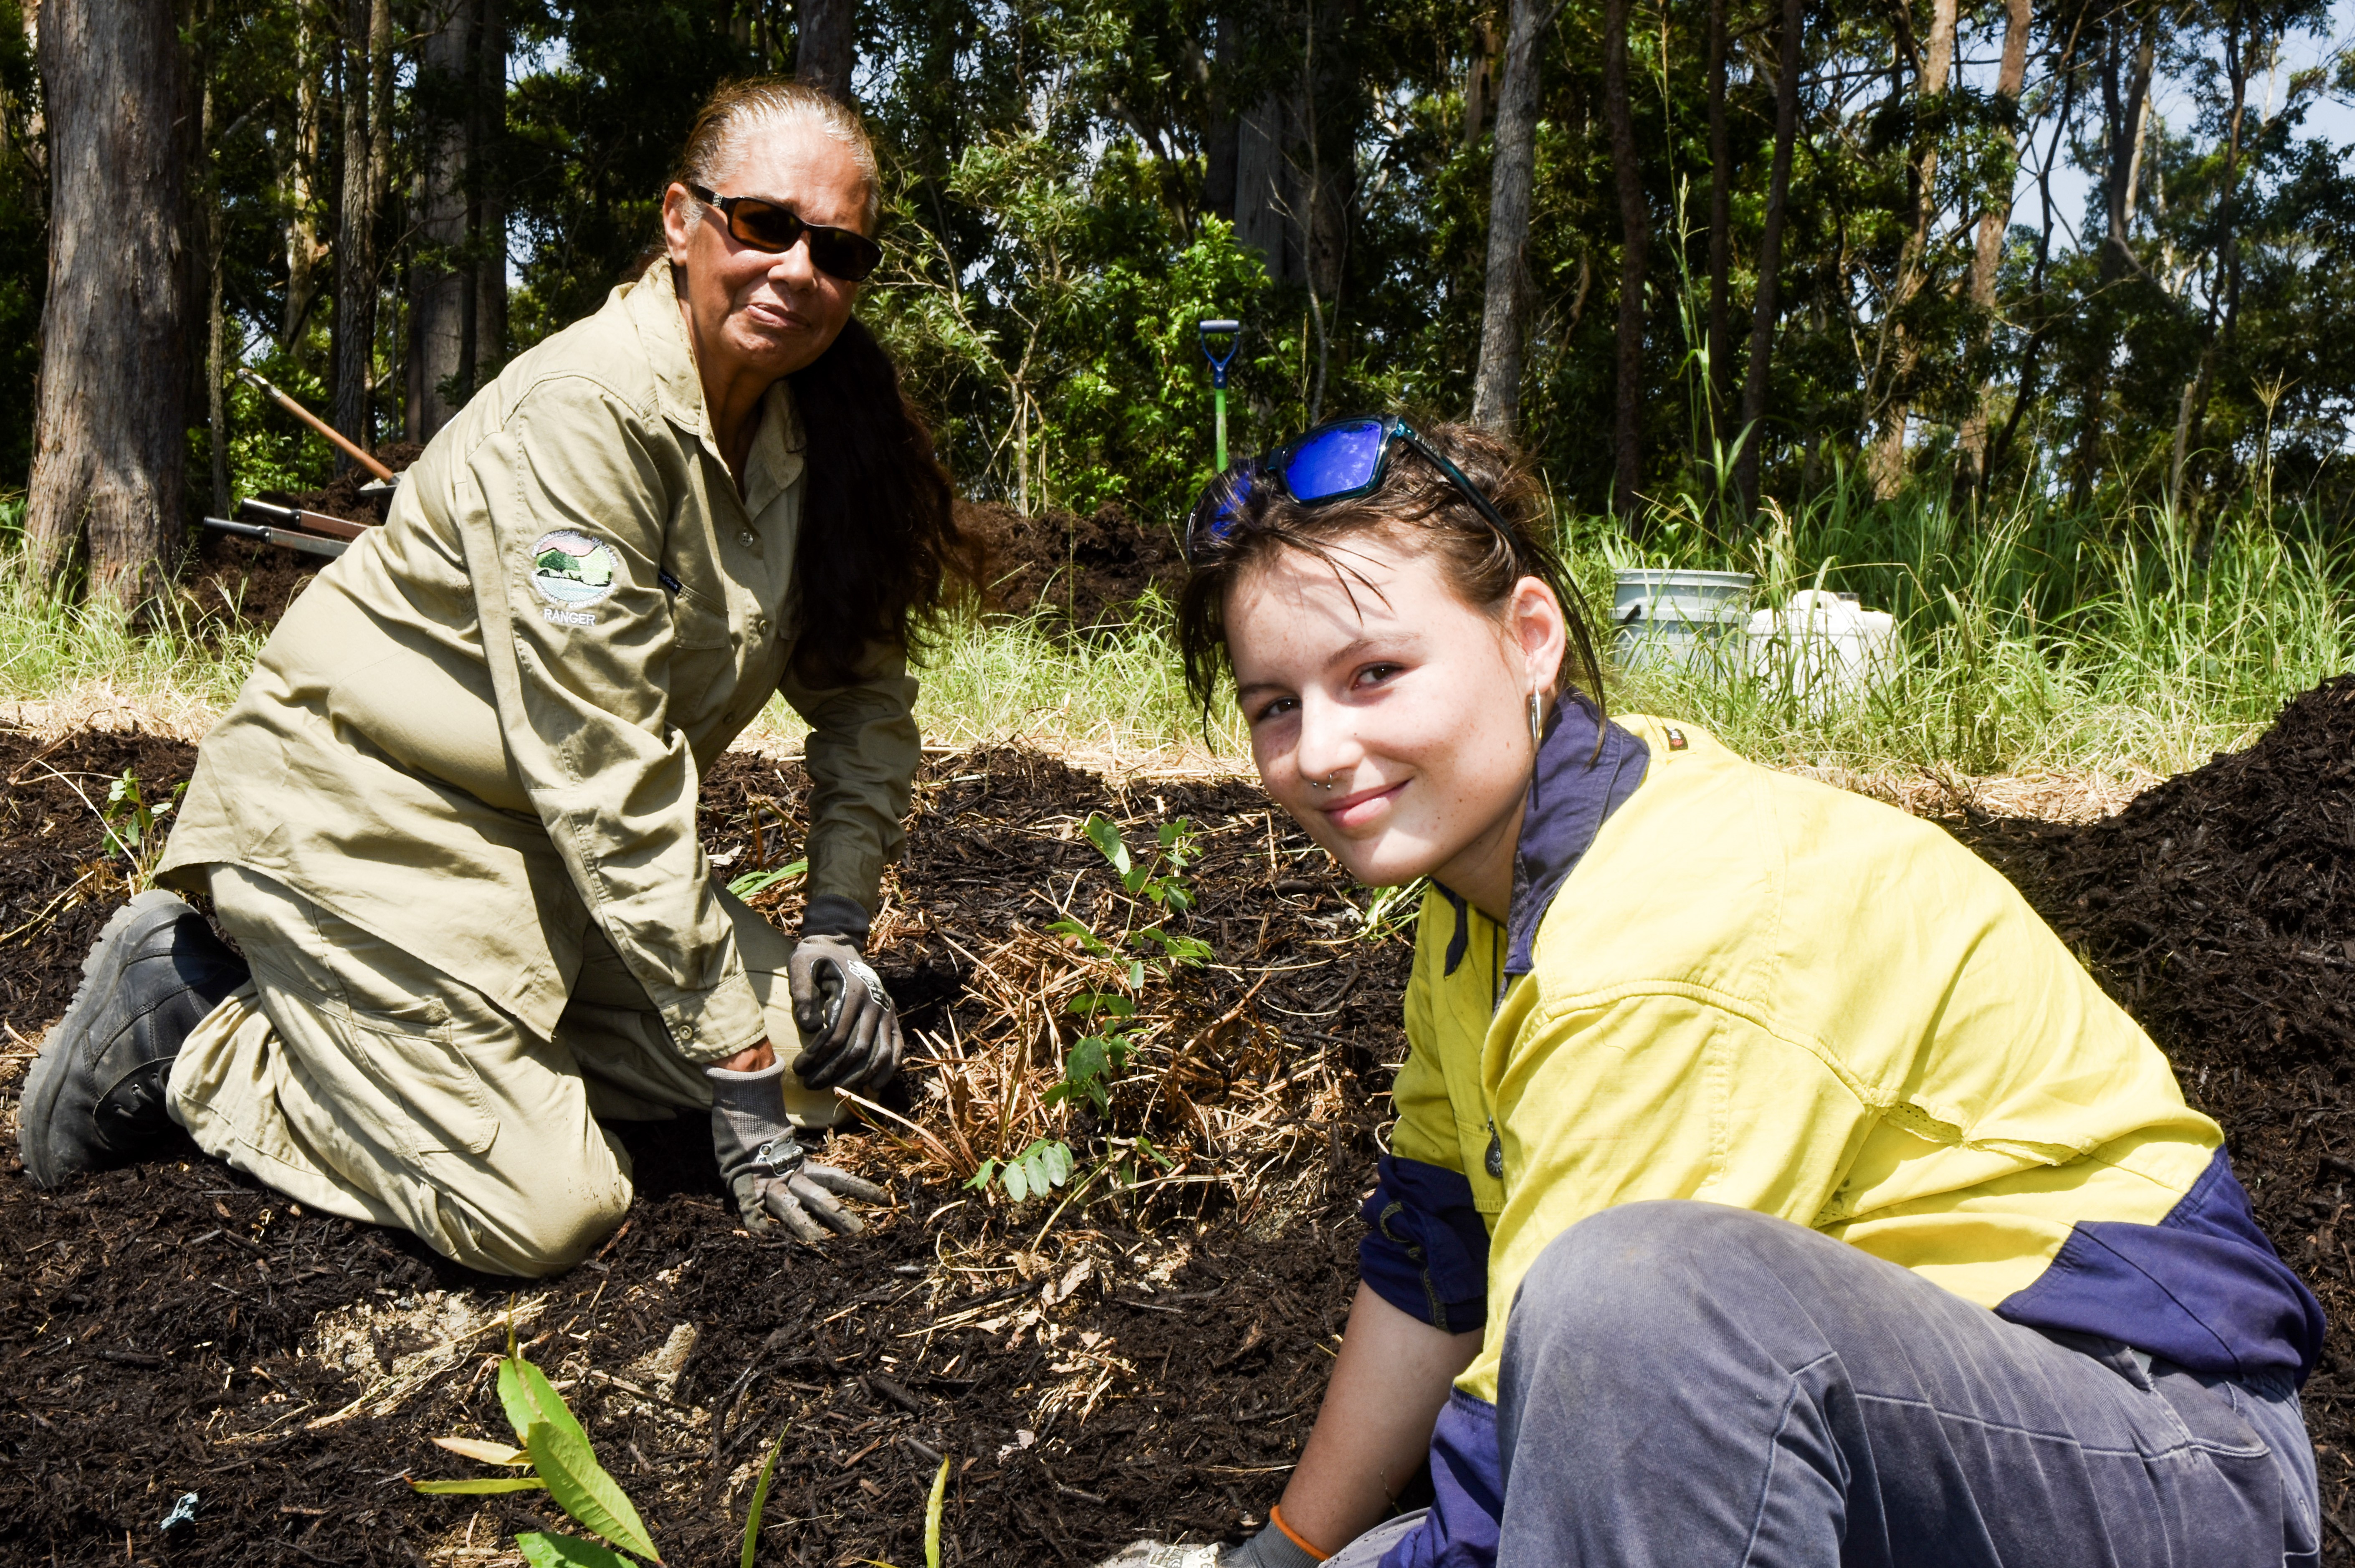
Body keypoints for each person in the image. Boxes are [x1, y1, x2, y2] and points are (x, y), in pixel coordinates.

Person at [1104, 416, 2323, 1568]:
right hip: (1895, 1428)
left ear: (1530, 636)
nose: (1317, 749)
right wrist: (1281, 1553)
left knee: (1630, 1301)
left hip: (2165, 1462)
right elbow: (1437, 1245)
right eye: (1276, 704)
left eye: (1373, 672)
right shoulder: (1486, 891)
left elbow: (1604, 1397)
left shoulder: (1657, 936)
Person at [18, 79, 974, 1277]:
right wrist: (732, 1090)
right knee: (549, 1205)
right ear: (682, 221)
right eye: (763, 225)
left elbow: (866, 701)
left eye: (837, 249)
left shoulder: (811, 429)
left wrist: (834, 923)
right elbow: (604, 769)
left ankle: (449, 1050)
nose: (797, 269)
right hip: (365, 825)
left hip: (548, 866)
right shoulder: (587, 415)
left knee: (821, 1064)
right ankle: (198, 1026)